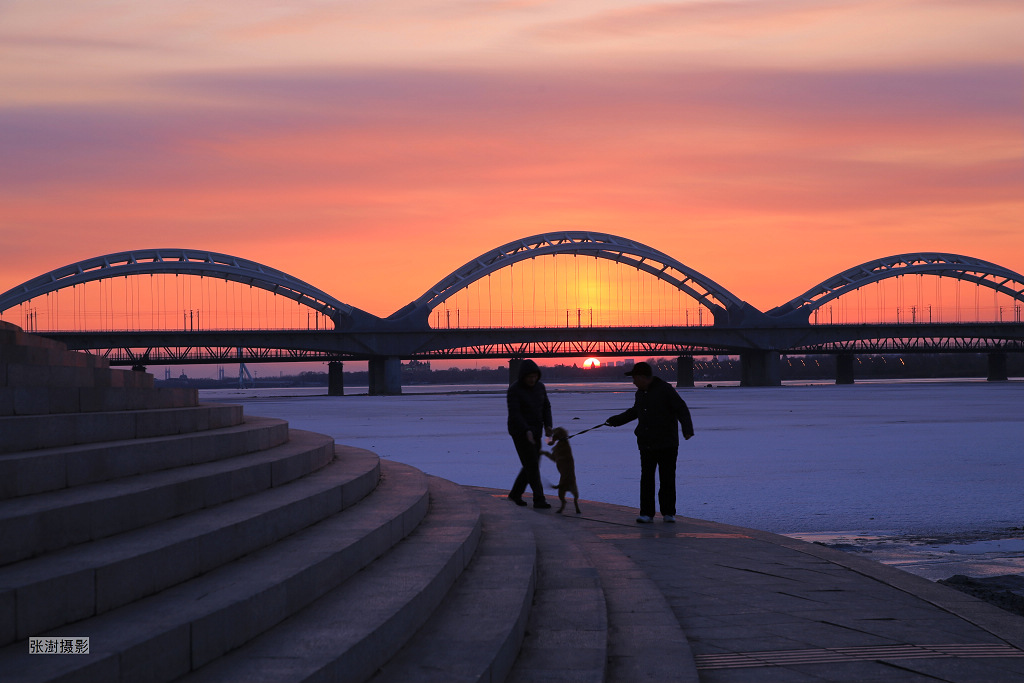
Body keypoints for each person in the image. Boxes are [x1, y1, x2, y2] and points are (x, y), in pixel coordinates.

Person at [606, 361, 694, 524]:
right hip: (646, 443)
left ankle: (668, 513)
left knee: (667, 478)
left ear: (641, 377)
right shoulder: (640, 393)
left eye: (634, 378)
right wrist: (616, 420)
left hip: (667, 443)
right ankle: (646, 513)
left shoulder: (665, 389)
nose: (632, 382)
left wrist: (687, 429)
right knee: (647, 478)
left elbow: (681, 408)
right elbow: (635, 411)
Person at [506, 358, 552, 509]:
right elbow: (515, 414)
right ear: (523, 376)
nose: (532, 379)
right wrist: (526, 430)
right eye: (529, 377)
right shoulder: (514, 390)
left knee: (531, 463)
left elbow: (546, 407)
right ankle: (539, 499)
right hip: (519, 432)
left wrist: (548, 426)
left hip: (536, 431)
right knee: (531, 464)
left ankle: (515, 494)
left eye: (535, 376)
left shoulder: (540, 387)